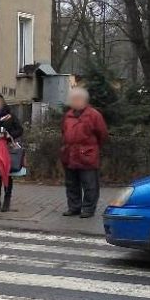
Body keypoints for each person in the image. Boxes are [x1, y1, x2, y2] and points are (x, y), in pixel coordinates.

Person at [61, 87, 109, 219]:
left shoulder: (94, 115)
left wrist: (92, 148)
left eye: (77, 99)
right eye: (72, 99)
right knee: (71, 183)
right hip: (70, 154)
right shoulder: (68, 115)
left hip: (87, 155)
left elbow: (102, 134)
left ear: (84, 100)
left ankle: (88, 208)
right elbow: (64, 132)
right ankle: (74, 207)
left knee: (90, 185)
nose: (74, 102)